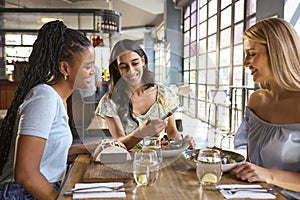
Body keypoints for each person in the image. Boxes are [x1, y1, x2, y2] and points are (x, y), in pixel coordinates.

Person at [0, 20, 100, 199]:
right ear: (64, 68)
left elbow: (47, 149)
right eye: (88, 66)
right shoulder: (44, 98)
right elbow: (25, 174)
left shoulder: (58, 98)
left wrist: (85, 148)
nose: (93, 72)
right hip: (22, 193)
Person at [233, 18, 300, 199]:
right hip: (254, 194)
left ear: (278, 52)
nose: (245, 63)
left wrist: (267, 175)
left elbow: (262, 173)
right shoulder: (256, 101)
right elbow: (251, 163)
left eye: (252, 53)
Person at [95, 39, 194, 150]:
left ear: (143, 61)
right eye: (123, 66)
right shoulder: (109, 102)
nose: (131, 70)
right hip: (127, 162)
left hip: (158, 160)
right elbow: (119, 143)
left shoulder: (163, 94)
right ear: (116, 68)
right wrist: (142, 132)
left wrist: (182, 144)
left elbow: (172, 132)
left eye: (135, 63)